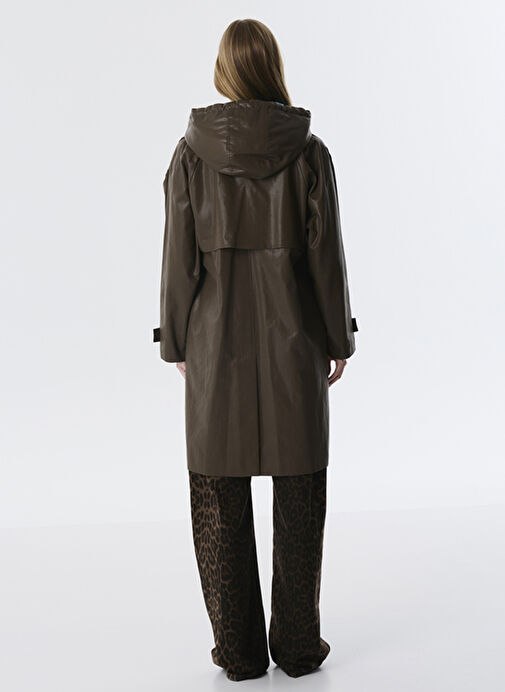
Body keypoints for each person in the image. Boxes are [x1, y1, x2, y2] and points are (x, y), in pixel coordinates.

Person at [153, 18, 358, 682]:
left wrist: (175, 340)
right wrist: (337, 337)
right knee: (300, 497)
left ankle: (238, 653)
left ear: (224, 71)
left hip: (215, 347)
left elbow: (178, 260)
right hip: (295, 344)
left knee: (217, 498)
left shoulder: (190, 155)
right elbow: (325, 261)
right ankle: (297, 647)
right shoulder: (309, 154)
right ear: (271, 67)